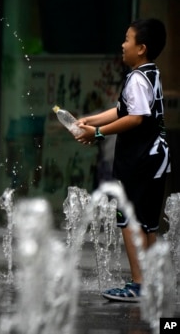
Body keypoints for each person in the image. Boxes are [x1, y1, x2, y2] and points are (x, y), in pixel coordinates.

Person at [76, 18, 170, 302]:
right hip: (156, 159)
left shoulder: (137, 78)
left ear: (141, 48)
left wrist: (99, 133)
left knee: (129, 222)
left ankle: (139, 284)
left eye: (127, 40)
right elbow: (122, 110)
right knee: (147, 224)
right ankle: (151, 282)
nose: (122, 44)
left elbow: (135, 117)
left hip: (142, 160)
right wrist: (90, 120)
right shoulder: (150, 74)